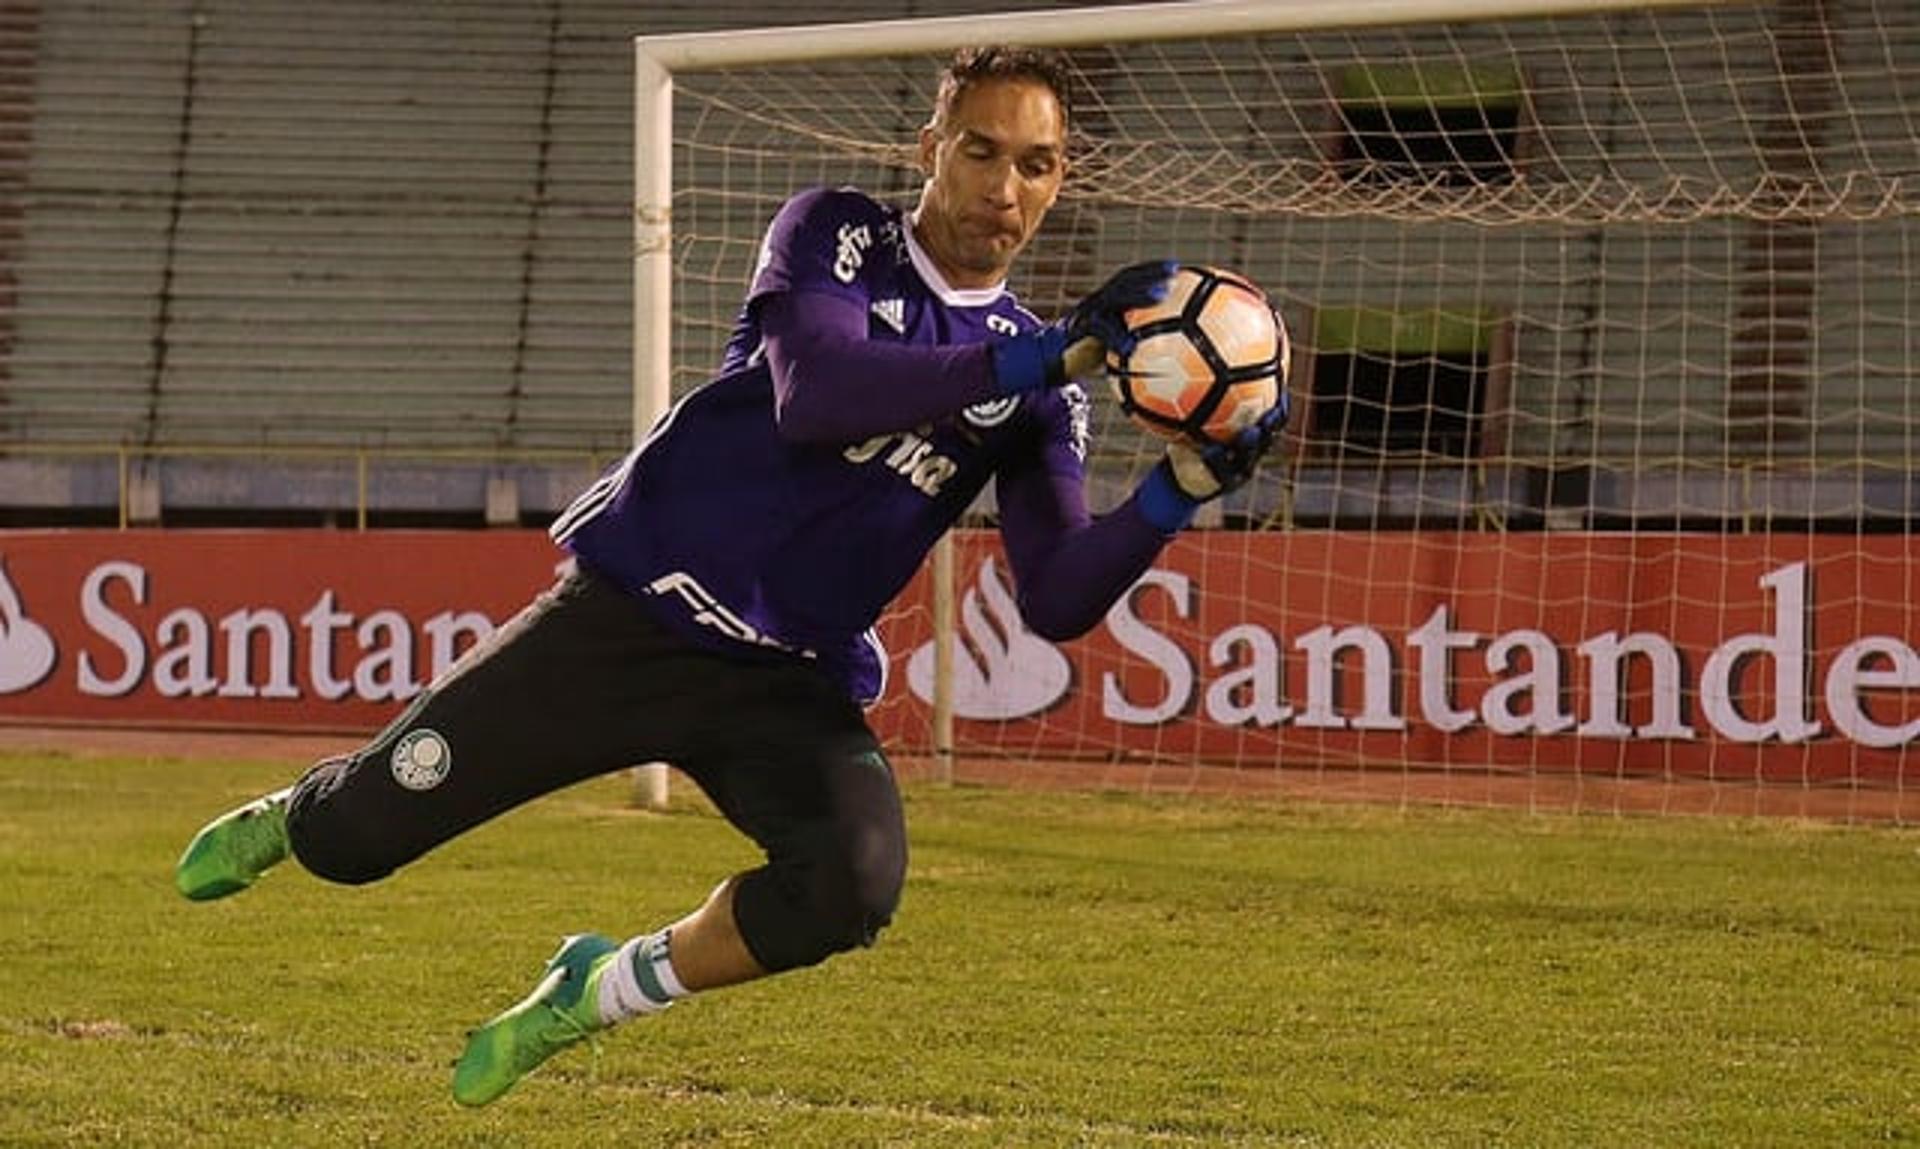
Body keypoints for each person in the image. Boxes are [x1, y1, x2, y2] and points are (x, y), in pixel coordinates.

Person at [172, 44, 1283, 1107]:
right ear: (931, 146)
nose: (1005, 186)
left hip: (782, 678)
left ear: (1059, 182)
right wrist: (1036, 353)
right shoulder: (838, 234)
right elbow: (818, 394)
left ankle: (590, 994)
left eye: (1035, 165)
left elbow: (1055, 596)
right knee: (357, 848)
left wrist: (1176, 490)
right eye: (982, 151)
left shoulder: (1050, 392)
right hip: (632, 617)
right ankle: (300, 815)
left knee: (850, 887)